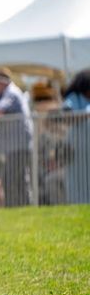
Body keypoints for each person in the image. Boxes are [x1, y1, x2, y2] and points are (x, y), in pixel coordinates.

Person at [0, 68, 33, 206]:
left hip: (19, 144)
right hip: (11, 146)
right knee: (20, 179)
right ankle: (26, 207)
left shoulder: (12, 93)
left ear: (1, 82)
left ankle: (13, 208)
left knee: (9, 178)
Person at [62, 69, 90, 203]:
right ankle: (77, 202)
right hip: (77, 145)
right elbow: (68, 115)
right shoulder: (74, 98)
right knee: (77, 177)